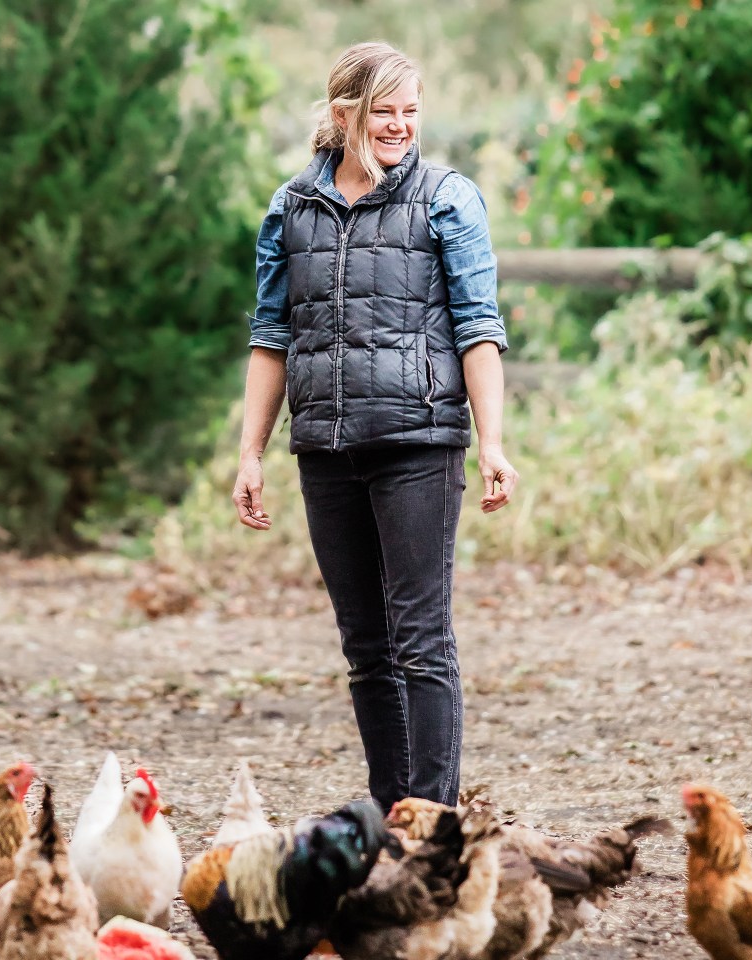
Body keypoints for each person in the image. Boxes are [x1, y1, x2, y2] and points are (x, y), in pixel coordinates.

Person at [232, 41, 518, 811]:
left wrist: (491, 443)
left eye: (410, 112)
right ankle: (392, 816)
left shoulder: (446, 198)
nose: (399, 126)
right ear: (343, 114)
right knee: (366, 650)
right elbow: (270, 337)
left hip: (419, 444)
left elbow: (479, 329)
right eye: (383, 112)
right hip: (325, 450)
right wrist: (250, 453)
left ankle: (435, 821)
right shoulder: (289, 208)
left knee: (421, 642)